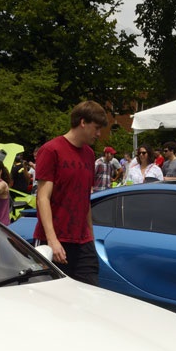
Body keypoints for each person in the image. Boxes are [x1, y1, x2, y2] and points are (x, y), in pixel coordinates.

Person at [33, 100, 105, 284]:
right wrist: (52, 240)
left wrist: (90, 236)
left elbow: (84, 199)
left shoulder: (89, 154)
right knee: (56, 302)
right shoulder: (51, 150)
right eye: (96, 128)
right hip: (55, 241)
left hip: (83, 242)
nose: (99, 134)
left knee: (89, 295)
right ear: (83, 122)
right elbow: (42, 197)